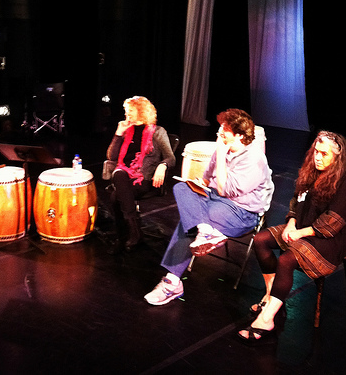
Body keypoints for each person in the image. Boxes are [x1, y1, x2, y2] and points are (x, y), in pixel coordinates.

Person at [238, 131, 346, 344]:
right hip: (302, 227)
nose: (318, 157)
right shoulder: (312, 172)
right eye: (316, 152)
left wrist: (299, 233)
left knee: (286, 259)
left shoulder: (345, 183)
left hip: (328, 241)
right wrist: (292, 223)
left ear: (337, 157)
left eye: (324, 154)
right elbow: (296, 200)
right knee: (260, 240)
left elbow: (332, 223)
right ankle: (271, 296)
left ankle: (267, 319)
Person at [144, 108, 274, 305]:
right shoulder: (222, 149)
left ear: (239, 135)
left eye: (224, 130)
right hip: (216, 199)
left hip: (242, 212)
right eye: (220, 129)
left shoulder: (254, 159)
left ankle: (172, 282)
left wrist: (220, 154)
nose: (219, 133)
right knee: (182, 188)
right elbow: (207, 179)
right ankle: (205, 230)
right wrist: (200, 184)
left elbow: (225, 190)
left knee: (190, 220)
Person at [106, 96, 176, 252]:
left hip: (144, 178)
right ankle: (134, 233)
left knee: (115, 197)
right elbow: (111, 156)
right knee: (119, 174)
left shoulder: (158, 132)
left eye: (131, 110)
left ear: (142, 111)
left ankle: (122, 237)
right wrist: (118, 134)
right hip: (124, 174)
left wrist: (162, 166)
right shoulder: (126, 130)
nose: (127, 114)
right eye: (126, 111)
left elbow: (170, 158)